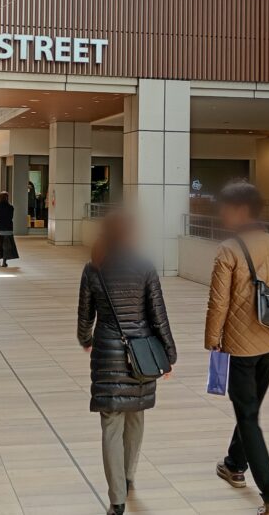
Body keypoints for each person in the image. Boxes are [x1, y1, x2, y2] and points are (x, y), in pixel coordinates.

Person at [205, 180, 269, 515]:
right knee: (249, 409)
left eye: (225, 209)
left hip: (238, 347)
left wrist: (213, 340)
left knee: (247, 415)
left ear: (241, 210)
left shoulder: (228, 250)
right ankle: (234, 464)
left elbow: (218, 303)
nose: (222, 216)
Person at [77, 211, 176, 515]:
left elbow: (85, 315)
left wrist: (85, 339)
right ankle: (128, 476)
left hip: (107, 354)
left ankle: (117, 499)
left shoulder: (94, 267)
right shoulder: (145, 266)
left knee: (111, 424)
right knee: (136, 416)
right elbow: (158, 315)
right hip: (141, 356)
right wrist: (169, 355)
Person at [0, 191, 19, 267]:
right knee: (6, 245)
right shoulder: (11, 207)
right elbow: (11, 217)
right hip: (8, 229)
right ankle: (4, 262)